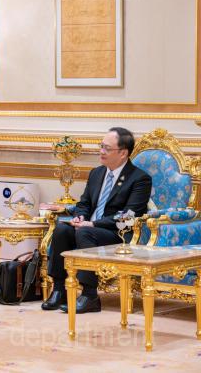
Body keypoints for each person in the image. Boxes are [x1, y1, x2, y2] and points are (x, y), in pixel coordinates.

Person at [42, 127, 152, 314]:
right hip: (88, 227)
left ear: (123, 153)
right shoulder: (97, 173)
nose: (101, 151)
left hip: (117, 234)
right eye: (101, 146)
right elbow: (84, 203)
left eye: (107, 148)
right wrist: (80, 217)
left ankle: (90, 296)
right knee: (62, 229)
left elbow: (129, 216)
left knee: (85, 232)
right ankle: (59, 290)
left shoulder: (140, 179)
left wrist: (92, 224)